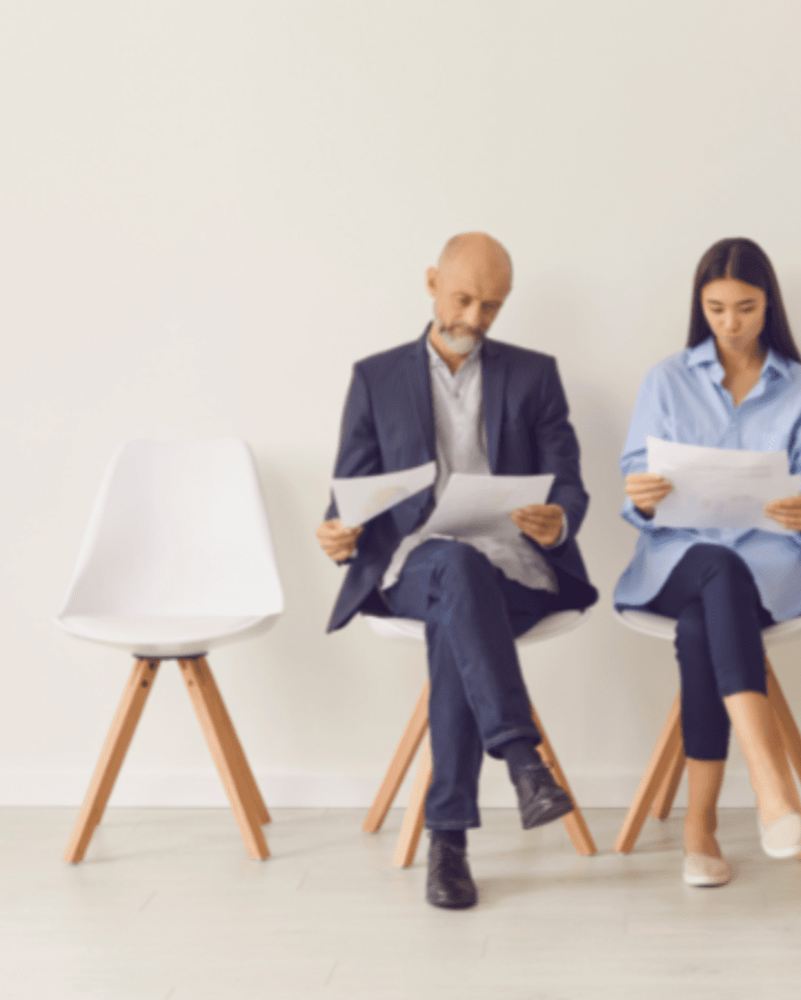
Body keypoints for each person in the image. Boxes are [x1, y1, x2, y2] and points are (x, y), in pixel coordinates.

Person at [317, 232, 598, 910]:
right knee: (451, 566)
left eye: (492, 307)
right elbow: (347, 496)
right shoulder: (376, 377)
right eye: (463, 298)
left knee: (461, 601)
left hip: (513, 570)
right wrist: (337, 532)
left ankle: (450, 839)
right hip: (414, 566)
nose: (474, 318)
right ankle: (522, 761)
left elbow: (569, 485)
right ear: (431, 282)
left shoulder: (534, 374)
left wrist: (557, 520)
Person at [616, 237, 801, 888]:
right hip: (675, 561)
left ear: (769, 304)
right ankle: (772, 787)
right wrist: (644, 497)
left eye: (745, 307)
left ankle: (701, 827)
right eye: (715, 308)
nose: (730, 323)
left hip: (770, 571)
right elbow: (636, 485)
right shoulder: (665, 380)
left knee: (701, 629)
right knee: (713, 563)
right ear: (700, 306)